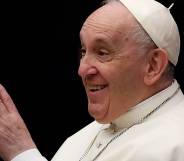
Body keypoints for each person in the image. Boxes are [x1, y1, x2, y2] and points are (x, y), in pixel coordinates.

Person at [0, 0, 184, 160]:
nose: (82, 70)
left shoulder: (175, 144)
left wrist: (21, 152)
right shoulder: (106, 124)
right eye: (83, 51)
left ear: (153, 66)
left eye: (102, 53)